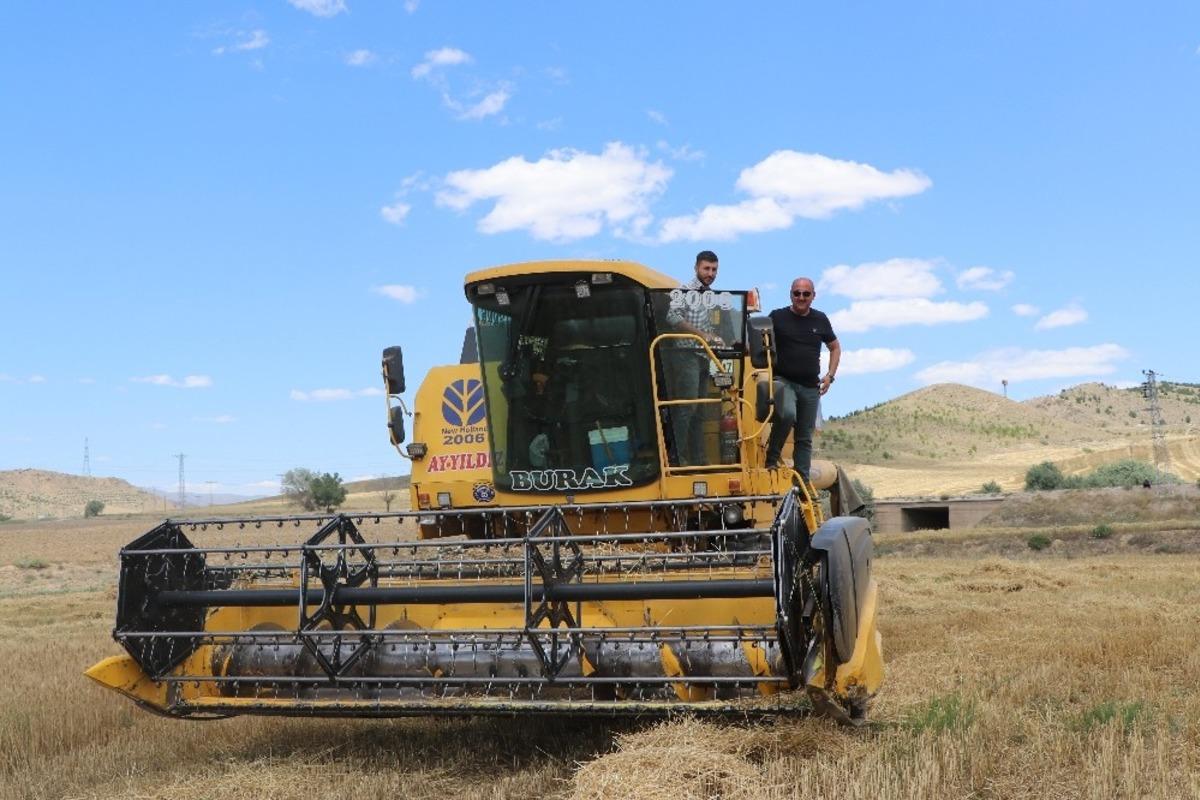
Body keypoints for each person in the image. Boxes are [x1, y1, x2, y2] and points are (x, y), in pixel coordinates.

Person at [765, 277, 840, 479]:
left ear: (813, 296)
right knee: (787, 414)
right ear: (790, 294)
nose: (801, 297)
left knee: (804, 437)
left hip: (810, 386)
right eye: (796, 293)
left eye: (806, 294)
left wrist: (829, 376)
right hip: (783, 380)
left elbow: (834, 347)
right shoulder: (777, 317)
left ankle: (802, 482)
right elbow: (758, 342)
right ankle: (771, 459)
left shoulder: (820, 319)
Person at [664, 250, 723, 465]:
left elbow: (708, 326)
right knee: (687, 407)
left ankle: (699, 458)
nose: (710, 273)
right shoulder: (684, 291)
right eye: (706, 268)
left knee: (699, 410)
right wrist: (702, 336)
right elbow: (672, 317)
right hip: (685, 354)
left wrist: (717, 338)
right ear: (696, 267)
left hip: (702, 356)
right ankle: (677, 458)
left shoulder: (711, 296)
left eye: (714, 269)